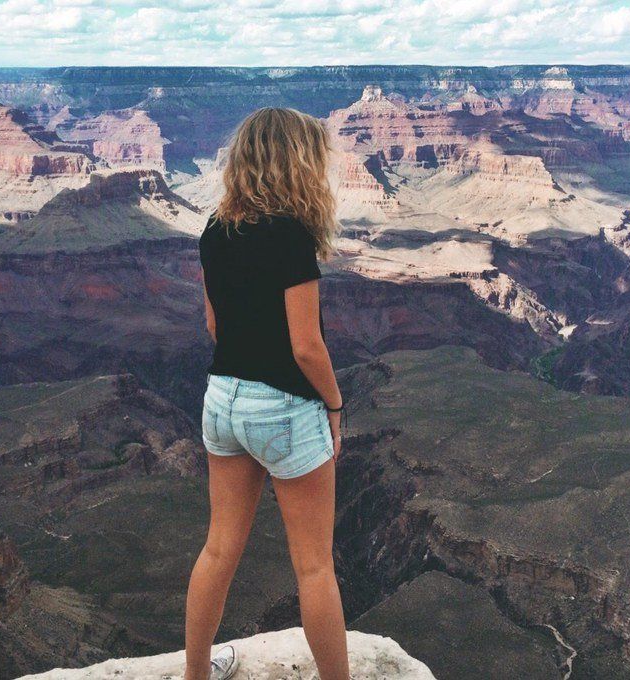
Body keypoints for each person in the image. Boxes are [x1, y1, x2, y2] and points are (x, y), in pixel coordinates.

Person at [184, 107, 348, 680]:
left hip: (221, 399)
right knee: (315, 568)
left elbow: (214, 325)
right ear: (297, 162)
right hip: (282, 407)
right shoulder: (290, 237)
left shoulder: (214, 230)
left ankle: (196, 674)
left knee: (218, 549)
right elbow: (307, 347)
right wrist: (334, 406)